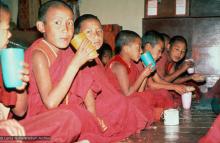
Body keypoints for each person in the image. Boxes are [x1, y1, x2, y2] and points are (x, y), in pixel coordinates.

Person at [0, 2, 85, 142]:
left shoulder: (4, 64)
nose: (10, 34)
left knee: (69, 118)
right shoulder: (39, 54)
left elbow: (20, 111)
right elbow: (50, 103)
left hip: (15, 130)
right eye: (5, 29)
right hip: (10, 130)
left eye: (70, 23)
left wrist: (20, 88)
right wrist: (75, 64)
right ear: (41, 26)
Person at [72, 14, 149, 142]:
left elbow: (106, 88)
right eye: (89, 32)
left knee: (130, 104)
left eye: (99, 31)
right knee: (127, 105)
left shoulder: (95, 58)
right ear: (77, 36)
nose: (96, 36)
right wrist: (94, 117)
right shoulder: (78, 57)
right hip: (90, 107)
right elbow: (86, 90)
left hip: (107, 101)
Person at [105, 30, 175, 123]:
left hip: (130, 98)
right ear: (126, 48)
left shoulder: (132, 64)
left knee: (157, 94)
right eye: (138, 48)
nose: (141, 51)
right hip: (116, 103)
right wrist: (143, 75)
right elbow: (127, 94)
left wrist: (146, 74)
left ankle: (157, 113)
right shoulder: (118, 66)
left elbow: (140, 91)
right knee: (136, 102)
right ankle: (157, 114)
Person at [140, 30, 190, 108]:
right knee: (164, 94)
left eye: (183, 51)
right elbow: (151, 85)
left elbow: (159, 80)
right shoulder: (144, 59)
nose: (161, 55)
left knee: (166, 93)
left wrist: (177, 87)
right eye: (159, 51)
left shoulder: (149, 60)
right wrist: (174, 87)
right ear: (148, 47)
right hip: (143, 93)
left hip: (144, 92)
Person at [156, 35, 204, 100]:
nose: (179, 53)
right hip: (156, 88)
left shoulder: (172, 61)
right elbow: (161, 82)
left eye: (183, 51)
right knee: (170, 94)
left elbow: (173, 80)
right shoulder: (162, 57)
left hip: (166, 86)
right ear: (168, 47)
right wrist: (182, 70)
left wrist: (191, 77)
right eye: (177, 49)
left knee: (191, 86)